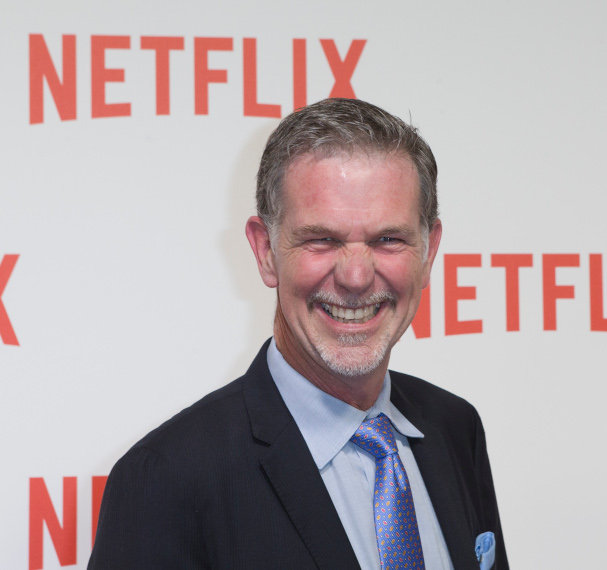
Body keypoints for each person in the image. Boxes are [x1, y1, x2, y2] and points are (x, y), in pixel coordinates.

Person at [89, 98, 507, 569]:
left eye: (388, 239)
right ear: (266, 251)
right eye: (322, 240)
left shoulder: (454, 429)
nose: (355, 276)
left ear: (428, 253)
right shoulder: (166, 480)